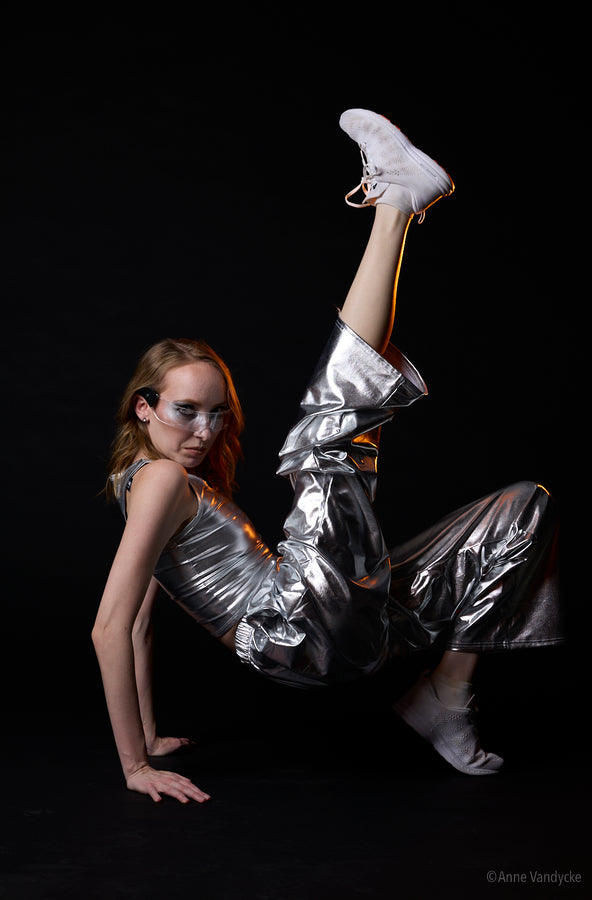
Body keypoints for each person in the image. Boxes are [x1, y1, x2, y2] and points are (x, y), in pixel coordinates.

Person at [92, 108, 562, 803]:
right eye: (185, 411)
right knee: (328, 435)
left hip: (332, 625)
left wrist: (153, 733)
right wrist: (134, 765)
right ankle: (397, 205)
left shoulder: (152, 484)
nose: (204, 430)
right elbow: (110, 624)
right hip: (293, 629)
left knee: (522, 510)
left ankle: (447, 700)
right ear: (145, 408)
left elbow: (137, 626)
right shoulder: (159, 479)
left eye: (216, 414)